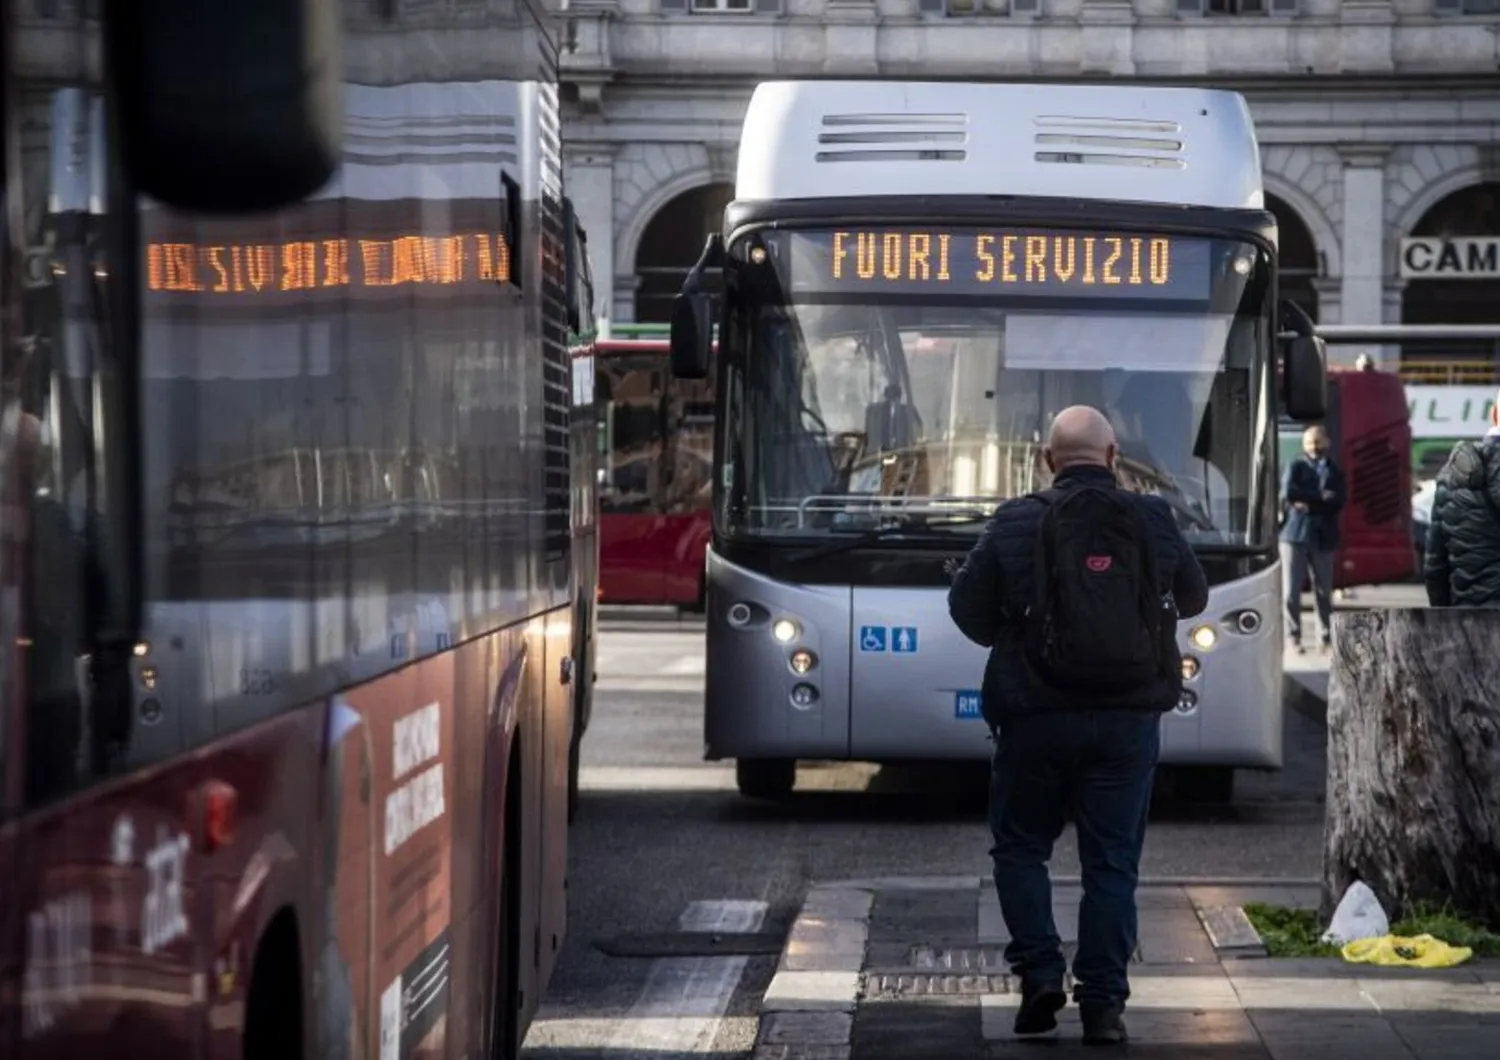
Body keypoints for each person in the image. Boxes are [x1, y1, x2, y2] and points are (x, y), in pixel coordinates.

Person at [947, 406, 1208, 1046]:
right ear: (1115, 457)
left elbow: (967, 608)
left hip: (1035, 716)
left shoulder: (1016, 520)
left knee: (1020, 847)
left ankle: (1039, 972)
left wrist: (1021, 637)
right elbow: (1195, 597)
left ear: (1046, 460)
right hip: (1126, 720)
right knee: (1113, 863)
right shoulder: (1151, 518)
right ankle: (1103, 1005)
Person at [1423, 388, 1500, 607]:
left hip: (1469, 623)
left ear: (1493, 414)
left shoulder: (1450, 475)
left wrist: (1444, 618)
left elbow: (1435, 565)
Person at [1279, 425, 1345, 653]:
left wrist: (1308, 502)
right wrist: (1320, 497)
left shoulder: (1335, 470)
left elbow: (1339, 501)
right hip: (1294, 536)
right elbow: (1288, 493)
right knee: (1291, 592)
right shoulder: (1295, 466)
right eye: (1310, 442)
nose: (1314, 447)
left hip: (1323, 537)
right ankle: (1293, 636)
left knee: (1324, 591)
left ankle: (1325, 637)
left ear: (1327, 442)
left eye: (1318, 442)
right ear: (1304, 444)